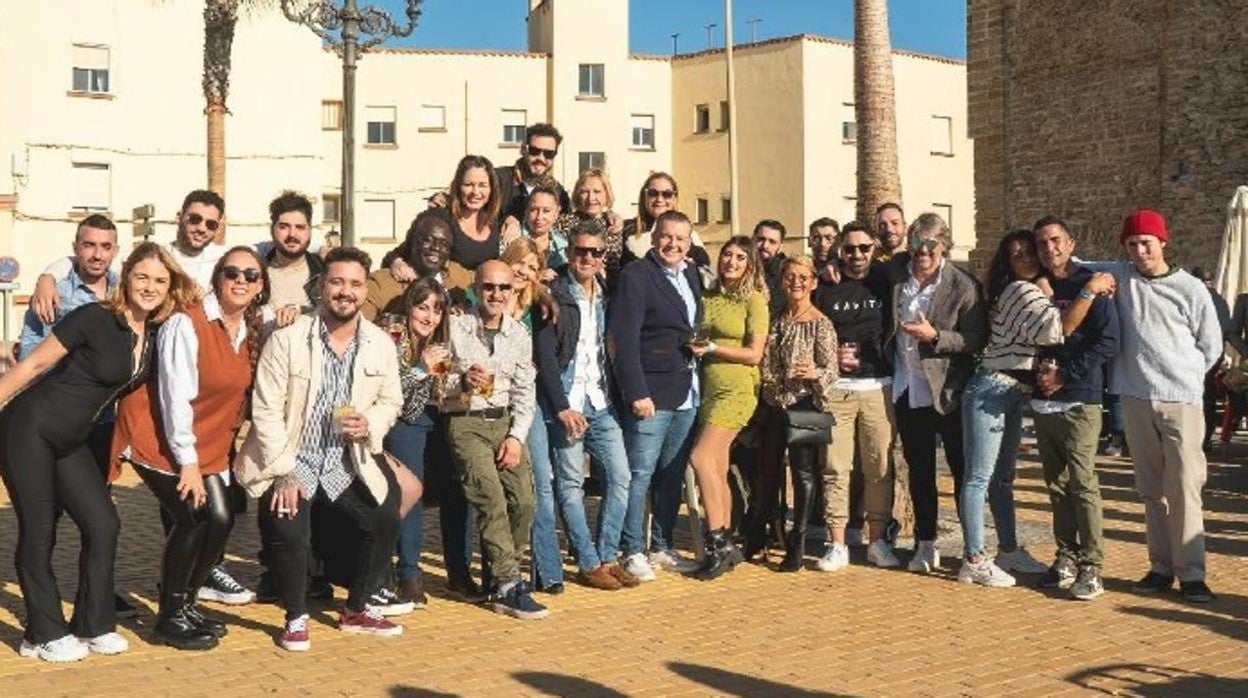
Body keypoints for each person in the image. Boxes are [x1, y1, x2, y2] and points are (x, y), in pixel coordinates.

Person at [0, 242, 195, 662]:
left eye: (160, 280)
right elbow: (32, 366)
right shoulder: (94, 317)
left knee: (103, 523)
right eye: (142, 276)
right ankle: (43, 631)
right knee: (39, 530)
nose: (150, 286)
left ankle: (92, 624)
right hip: (27, 429)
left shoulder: (156, 333)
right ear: (126, 277)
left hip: (71, 440)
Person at [234, 246, 405, 652]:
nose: (345, 291)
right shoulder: (288, 340)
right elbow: (266, 410)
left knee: (384, 515)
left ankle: (358, 607)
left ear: (365, 290)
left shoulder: (380, 343)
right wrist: (285, 472)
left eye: (355, 284)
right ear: (321, 287)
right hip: (295, 459)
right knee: (289, 525)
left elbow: (391, 401)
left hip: (349, 461)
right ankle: (295, 616)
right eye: (337, 282)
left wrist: (371, 424)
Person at [111, 247, 269, 649]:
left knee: (221, 519)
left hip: (208, 441)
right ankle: (168, 617)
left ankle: (184, 602)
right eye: (232, 272)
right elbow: (173, 397)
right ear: (218, 277)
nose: (241, 280)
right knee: (193, 516)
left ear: (260, 285)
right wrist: (188, 463)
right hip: (159, 435)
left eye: (251, 275)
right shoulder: (188, 322)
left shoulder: (248, 327)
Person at [1080, 210, 1221, 603]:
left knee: (1184, 486)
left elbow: (1210, 344)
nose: (1140, 250)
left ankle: (1191, 571)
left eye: (1147, 242)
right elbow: (1073, 265)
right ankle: (1161, 566)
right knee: (1150, 488)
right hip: (1135, 397)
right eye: (1132, 244)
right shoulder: (1121, 275)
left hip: (1181, 400)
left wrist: (1184, 375)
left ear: (1163, 242)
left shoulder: (1191, 288)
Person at [956, 229, 1064, 588]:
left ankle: (1008, 549)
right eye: (1018, 255)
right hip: (992, 389)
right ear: (1008, 263)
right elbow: (1052, 331)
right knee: (979, 477)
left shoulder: (1017, 289)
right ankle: (974, 558)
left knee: (1002, 480)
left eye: (1030, 252)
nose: (1028, 259)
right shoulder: (1021, 290)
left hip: (1010, 392)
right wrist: (1066, 293)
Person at [535, 221, 638, 590]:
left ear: (603, 256)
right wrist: (561, 406)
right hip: (568, 403)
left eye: (595, 252)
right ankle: (588, 561)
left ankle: (608, 555)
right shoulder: (554, 294)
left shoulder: (609, 294)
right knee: (570, 483)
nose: (587, 258)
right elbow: (545, 356)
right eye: (581, 251)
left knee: (621, 477)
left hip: (602, 401)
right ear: (569, 253)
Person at [441, 260, 546, 619]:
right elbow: (437, 384)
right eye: (489, 287)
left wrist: (516, 438)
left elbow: (524, 393)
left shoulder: (519, 334)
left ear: (513, 291)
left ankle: (502, 577)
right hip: (464, 420)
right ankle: (507, 583)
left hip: (503, 421)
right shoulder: (454, 326)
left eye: (504, 288)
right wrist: (460, 383)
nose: (496, 294)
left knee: (525, 501)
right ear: (475, 287)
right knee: (491, 500)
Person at [889, 213, 986, 574]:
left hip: (948, 392)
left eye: (930, 245)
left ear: (944, 245)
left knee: (962, 471)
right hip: (909, 389)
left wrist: (935, 337)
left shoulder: (964, 286)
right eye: (916, 244)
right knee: (920, 471)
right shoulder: (898, 277)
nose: (922, 252)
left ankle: (972, 547)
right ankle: (925, 543)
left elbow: (976, 339)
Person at [610, 211, 704, 581]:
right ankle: (631, 549)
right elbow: (624, 339)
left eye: (681, 239)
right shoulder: (637, 276)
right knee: (640, 475)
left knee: (672, 473)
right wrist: (636, 391)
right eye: (667, 237)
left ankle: (661, 545)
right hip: (651, 393)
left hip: (687, 391)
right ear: (653, 237)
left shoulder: (692, 274)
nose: (673, 245)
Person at [1030, 216, 1119, 600]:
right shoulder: (1037, 287)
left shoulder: (1092, 284)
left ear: (1071, 241)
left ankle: (1092, 566)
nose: (1050, 248)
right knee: (1057, 486)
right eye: (1042, 244)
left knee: (1083, 483)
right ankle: (1066, 555)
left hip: (1081, 397)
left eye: (1056, 241)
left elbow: (1109, 342)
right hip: (1044, 400)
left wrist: (1066, 375)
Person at [811, 222, 901, 570]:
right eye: (850, 249)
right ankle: (836, 544)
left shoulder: (885, 278)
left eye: (864, 248)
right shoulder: (826, 286)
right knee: (835, 466)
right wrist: (830, 358)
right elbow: (813, 332)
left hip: (879, 386)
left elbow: (913, 254)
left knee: (879, 466)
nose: (857, 255)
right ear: (840, 251)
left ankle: (877, 541)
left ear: (874, 248)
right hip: (838, 390)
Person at [687, 235, 769, 580]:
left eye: (739, 257)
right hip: (707, 388)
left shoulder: (754, 300)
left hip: (737, 391)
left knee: (700, 458)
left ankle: (718, 542)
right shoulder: (708, 296)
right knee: (717, 469)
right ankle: (727, 545)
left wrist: (714, 348)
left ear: (750, 264)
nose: (731, 262)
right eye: (727, 255)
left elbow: (754, 353)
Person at [31, 189, 226, 318]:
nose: (202, 228)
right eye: (194, 219)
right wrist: (47, 278)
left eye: (211, 224)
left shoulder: (226, 262)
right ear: (179, 217)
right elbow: (94, 260)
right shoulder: (154, 257)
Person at [759, 256, 837, 571]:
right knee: (769, 471)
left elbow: (831, 368)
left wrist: (814, 373)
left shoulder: (821, 323)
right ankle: (769, 531)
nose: (796, 282)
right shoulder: (777, 320)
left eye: (803, 277)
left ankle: (799, 538)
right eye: (791, 276)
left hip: (806, 404)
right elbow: (766, 363)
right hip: (775, 403)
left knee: (803, 473)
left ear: (814, 282)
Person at [382, 277, 455, 607]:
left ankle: (459, 570)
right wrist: (421, 368)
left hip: (432, 419)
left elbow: (439, 394)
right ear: (409, 307)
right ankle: (408, 573)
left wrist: (462, 382)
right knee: (412, 490)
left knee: (456, 483)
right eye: (422, 307)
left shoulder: (439, 343)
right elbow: (400, 400)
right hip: (401, 422)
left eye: (437, 310)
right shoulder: (394, 338)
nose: (429, 316)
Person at [383, 155, 503, 291]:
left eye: (482, 185)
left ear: (492, 189)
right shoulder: (438, 217)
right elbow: (398, 253)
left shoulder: (494, 222)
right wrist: (396, 262)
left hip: (482, 302)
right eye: (468, 185)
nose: (475, 192)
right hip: (443, 300)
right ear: (458, 186)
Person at [614, 172, 711, 284]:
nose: (659, 199)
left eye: (667, 194)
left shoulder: (690, 234)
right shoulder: (626, 230)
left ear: (674, 199)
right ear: (644, 196)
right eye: (653, 193)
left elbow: (705, 273)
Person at [363, 211, 454, 322]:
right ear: (411, 243)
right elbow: (359, 330)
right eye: (427, 240)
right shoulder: (380, 284)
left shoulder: (460, 278)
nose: (436, 248)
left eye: (444, 244)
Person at [263, 191, 324, 322]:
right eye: (284, 227)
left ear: (310, 231)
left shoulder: (326, 272)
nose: (292, 234)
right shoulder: (254, 274)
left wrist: (303, 312)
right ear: (272, 230)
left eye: (300, 227)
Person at [495, 123, 572, 227]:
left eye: (549, 154)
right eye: (535, 151)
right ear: (523, 149)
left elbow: (564, 230)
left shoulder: (558, 192)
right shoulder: (497, 180)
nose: (541, 158)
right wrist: (507, 220)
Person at [1189, 267, 1231, 452]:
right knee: (1209, 396)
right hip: (1215, 354)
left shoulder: (1198, 298)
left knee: (1199, 397)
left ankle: (1200, 437)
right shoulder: (1221, 300)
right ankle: (1205, 438)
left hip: (1196, 354)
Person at [560, 169, 625, 276]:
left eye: (597, 192)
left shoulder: (614, 224)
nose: (591, 198)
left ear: (607, 194)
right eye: (585, 192)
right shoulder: (564, 223)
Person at [522, 185, 570, 275]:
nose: (539, 217)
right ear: (527, 210)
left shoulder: (563, 245)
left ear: (556, 213)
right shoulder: (512, 237)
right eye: (534, 210)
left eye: (546, 211)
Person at [753, 220, 788, 318]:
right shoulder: (740, 268)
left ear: (780, 247)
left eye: (772, 242)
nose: (765, 246)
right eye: (761, 239)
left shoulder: (786, 273)